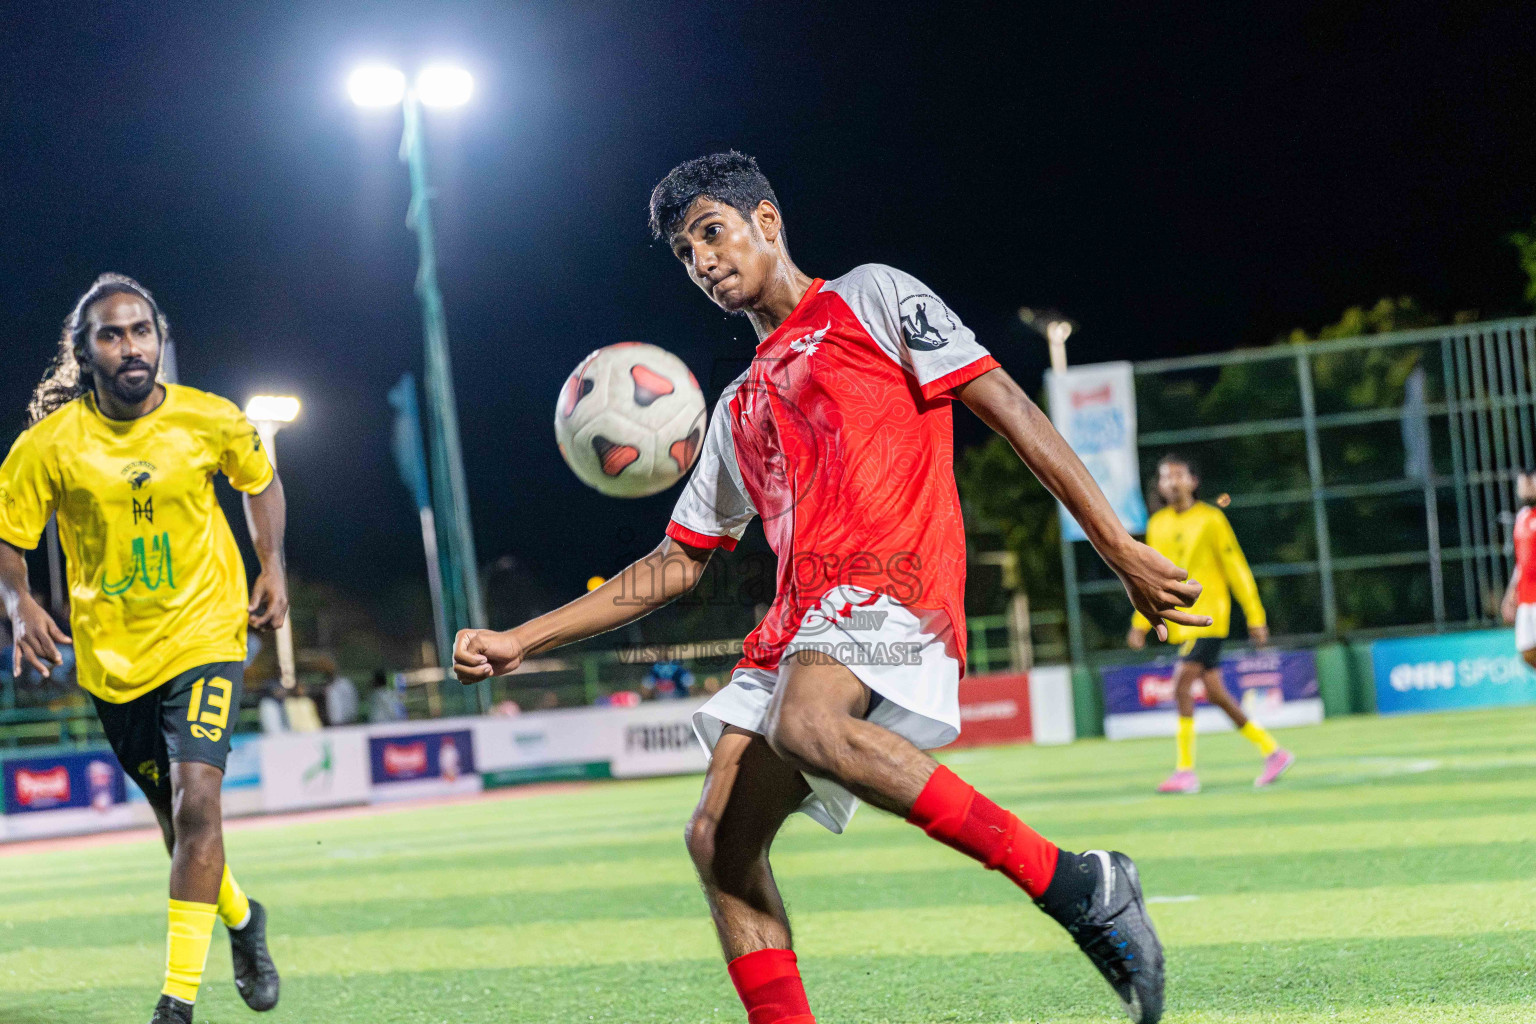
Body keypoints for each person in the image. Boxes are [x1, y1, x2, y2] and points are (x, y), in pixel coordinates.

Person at [455, 152, 1213, 1024]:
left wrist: (1115, 542)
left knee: (808, 723)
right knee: (720, 841)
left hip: (896, 582)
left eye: (712, 232)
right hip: (802, 617)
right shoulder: (737, 406)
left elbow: (1006, 402)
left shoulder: (871, 295)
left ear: (767, 222)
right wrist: (523, 639)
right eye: (685, 253)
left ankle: (1078, 883)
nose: (702, 260)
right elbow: (677, 561)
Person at [0, 274, 283, 1024]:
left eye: (142, 330)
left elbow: (262, 480)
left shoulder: (210, 419)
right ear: (85, 353)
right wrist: (17, 601)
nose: (131, 346)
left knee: (199, 808)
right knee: (178, 825)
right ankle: (242, 918)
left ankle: (176, 1006)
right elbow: (8, 538)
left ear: (160, 340)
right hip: (114, 662)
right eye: (112, 334)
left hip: (206, 634)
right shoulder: (48, 447)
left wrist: (271, 563)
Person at [1127, 454, 1294, 793]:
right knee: (1216, 694)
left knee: (1179, 686)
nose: (1171, 482)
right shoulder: (1157, 524)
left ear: (1193, 481)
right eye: (1165, 477)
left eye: (1178, 475)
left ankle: (1185, 771)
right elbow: (1150, 579)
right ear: (1159, 485)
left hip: (1210, 618)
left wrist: (1255, 615)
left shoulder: (1212, 519)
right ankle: (1272, 752)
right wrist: (1141, 621)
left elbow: (1237, 568)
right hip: (1181, 623)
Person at [1500, 470, 1536, 669]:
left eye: (1529, 484)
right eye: (1522, 485)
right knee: (1527, 652)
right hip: (1526, 595)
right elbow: (1520, 561)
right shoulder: (1522, 517)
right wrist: (1510, 592)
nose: (1525, 489)